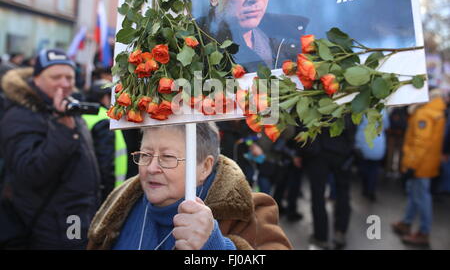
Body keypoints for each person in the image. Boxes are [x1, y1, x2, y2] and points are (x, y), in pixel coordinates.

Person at [87, 122, 292, 250]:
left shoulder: (249, 213)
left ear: (204, 167)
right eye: (145, 155)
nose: (151, 168)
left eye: (167, 157)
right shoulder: (120, 204)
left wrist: (214, 247)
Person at [0, 49, 101, 249]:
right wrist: (63, 128)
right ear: (36, 78)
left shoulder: (65, 106)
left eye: (69, 77)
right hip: (50, 224)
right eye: (56, 77)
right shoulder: (20, 116)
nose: (65, 83)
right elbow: (30, 172)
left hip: (78, 215)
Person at [392, 89, 446, 247]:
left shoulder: (425, 113)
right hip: (425, 163)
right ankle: (407, 223)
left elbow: (420, 144)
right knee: (415, 194)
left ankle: (423, 232)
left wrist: (411, 166)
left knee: (421, 197)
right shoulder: (435, 111)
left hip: (419, 165)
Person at [299, 116, 356, 250]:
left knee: (318, 195)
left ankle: (321, 236)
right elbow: (352, 122)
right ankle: (340, 232)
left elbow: (303, 122)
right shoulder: (347, 95)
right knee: (343, 192)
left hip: (318, 152)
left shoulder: (309, 95)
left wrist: (303, 151)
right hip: (341, 150)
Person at [82, 80, 128, 203]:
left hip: (86, 187)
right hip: (105, 191)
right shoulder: (104, 119)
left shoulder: (81, 116)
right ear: (105, 98)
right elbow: (106, 161)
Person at [355, 111, 389, 202]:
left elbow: (356, 124)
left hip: (364, 141)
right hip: (378, 142)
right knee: (374, 169)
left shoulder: (362, 110)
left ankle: (366, 189)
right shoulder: (383, 111)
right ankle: (371, 190)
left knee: (364, 168)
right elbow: (386, 125)